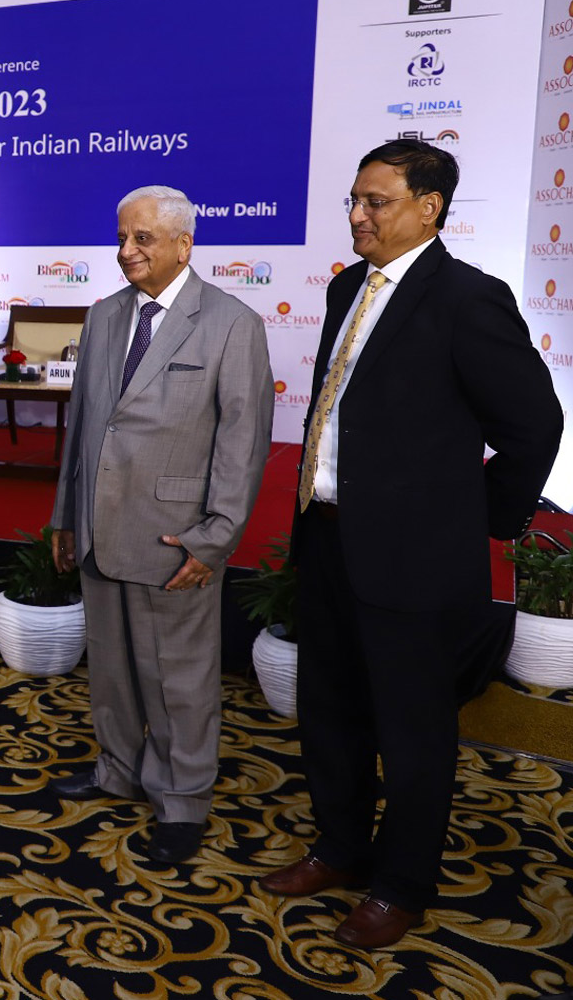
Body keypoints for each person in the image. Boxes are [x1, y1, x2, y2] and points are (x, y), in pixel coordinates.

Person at [261, 140, 561, 948]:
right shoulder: (345, 288)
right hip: (328, 541)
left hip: (417, 563)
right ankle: (340, 849)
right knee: (330, 713)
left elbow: (535, 426)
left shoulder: (469, 298)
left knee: (413, 732)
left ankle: (401, 886)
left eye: (376, 201)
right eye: (355, 201)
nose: (358, 216)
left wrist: (477, 519)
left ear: (429, 208)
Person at [49, 184, 273, 865]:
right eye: (122, 237)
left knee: (179, 679)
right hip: (98, 529)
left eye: (142, 238)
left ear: (184, 244)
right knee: (111, 670)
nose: (126, 251)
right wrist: (65, 517)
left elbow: (243, 442)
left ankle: (182, 799)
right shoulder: (103, 316)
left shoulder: (232, 323)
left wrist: (215, 537)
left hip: (176, 538)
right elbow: (84, 428)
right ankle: (118, 769)